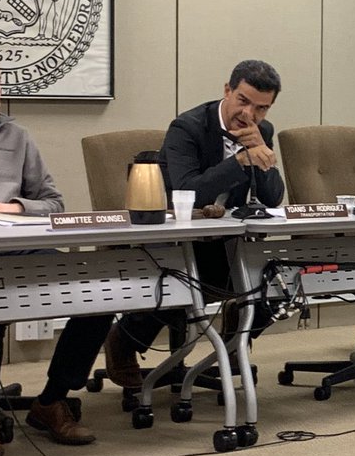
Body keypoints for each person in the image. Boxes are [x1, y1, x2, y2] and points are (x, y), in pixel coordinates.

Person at [0, 46, 112, 456]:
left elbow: (52, 201)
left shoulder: (17, 136)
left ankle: (52, 399)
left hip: (19, 243)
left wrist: (16, 206)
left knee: (99, 294)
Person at [103, 59, 284, 387]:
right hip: (174, 236)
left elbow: (273, 198)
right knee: (180, 276)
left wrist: (259, 147)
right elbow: (186, 190)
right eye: (243, 101)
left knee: (277, 279)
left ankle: (234, 339)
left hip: (226, 239)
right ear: (227, 90)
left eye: (261, 108)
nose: (249, 114)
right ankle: (124, 339)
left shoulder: (263, 131)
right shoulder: (187, 127)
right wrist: (240, 161)